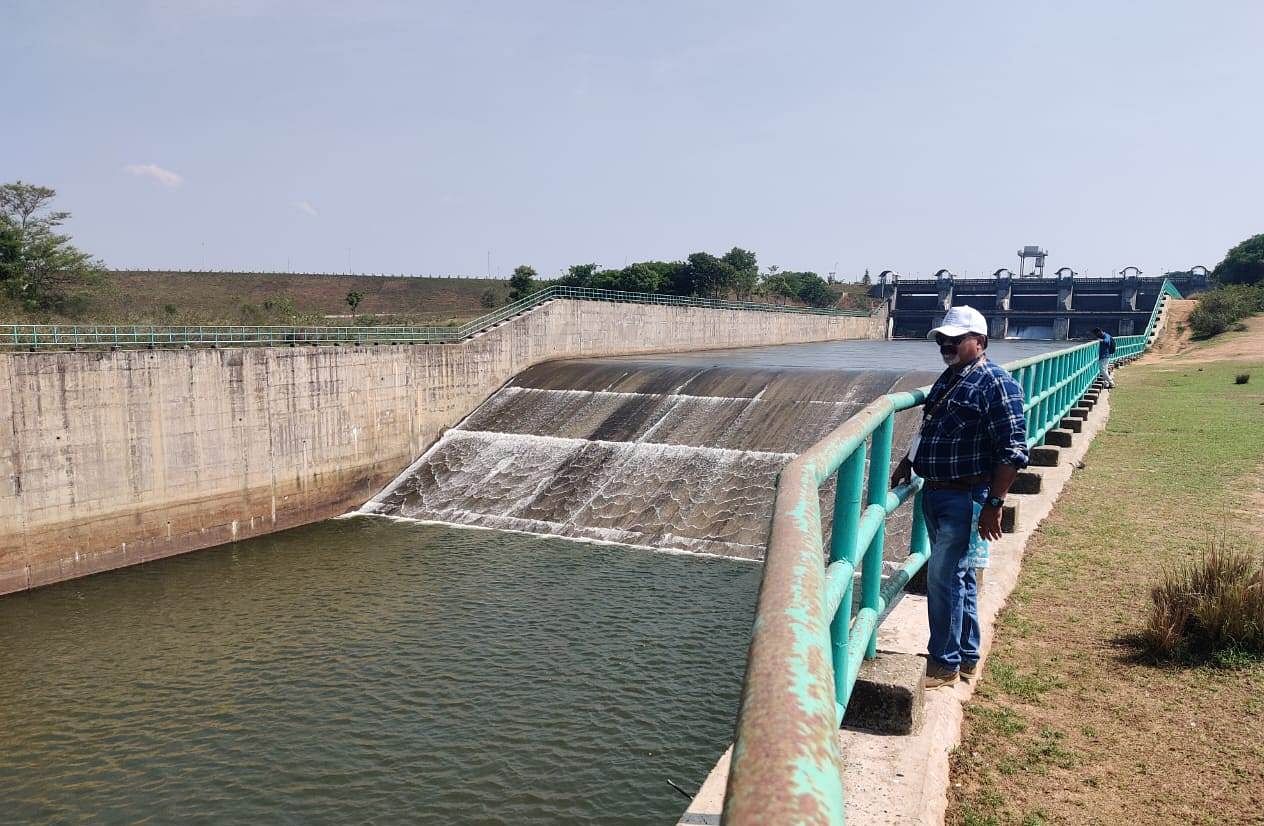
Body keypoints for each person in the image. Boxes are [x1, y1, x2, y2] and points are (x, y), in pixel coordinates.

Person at [891, 305, 1028, 688]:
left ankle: (944, 664)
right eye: (942, 340)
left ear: (980, 342)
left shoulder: (996, 383)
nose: (946, 345)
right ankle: (966, 655)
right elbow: (931, 426)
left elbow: (1014, 449)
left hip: (966, 496)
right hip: (937, 492)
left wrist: (994, 503)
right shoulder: (951, 377)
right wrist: (909, 461)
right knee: (960, 577)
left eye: (955, 339)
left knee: (944, 578)